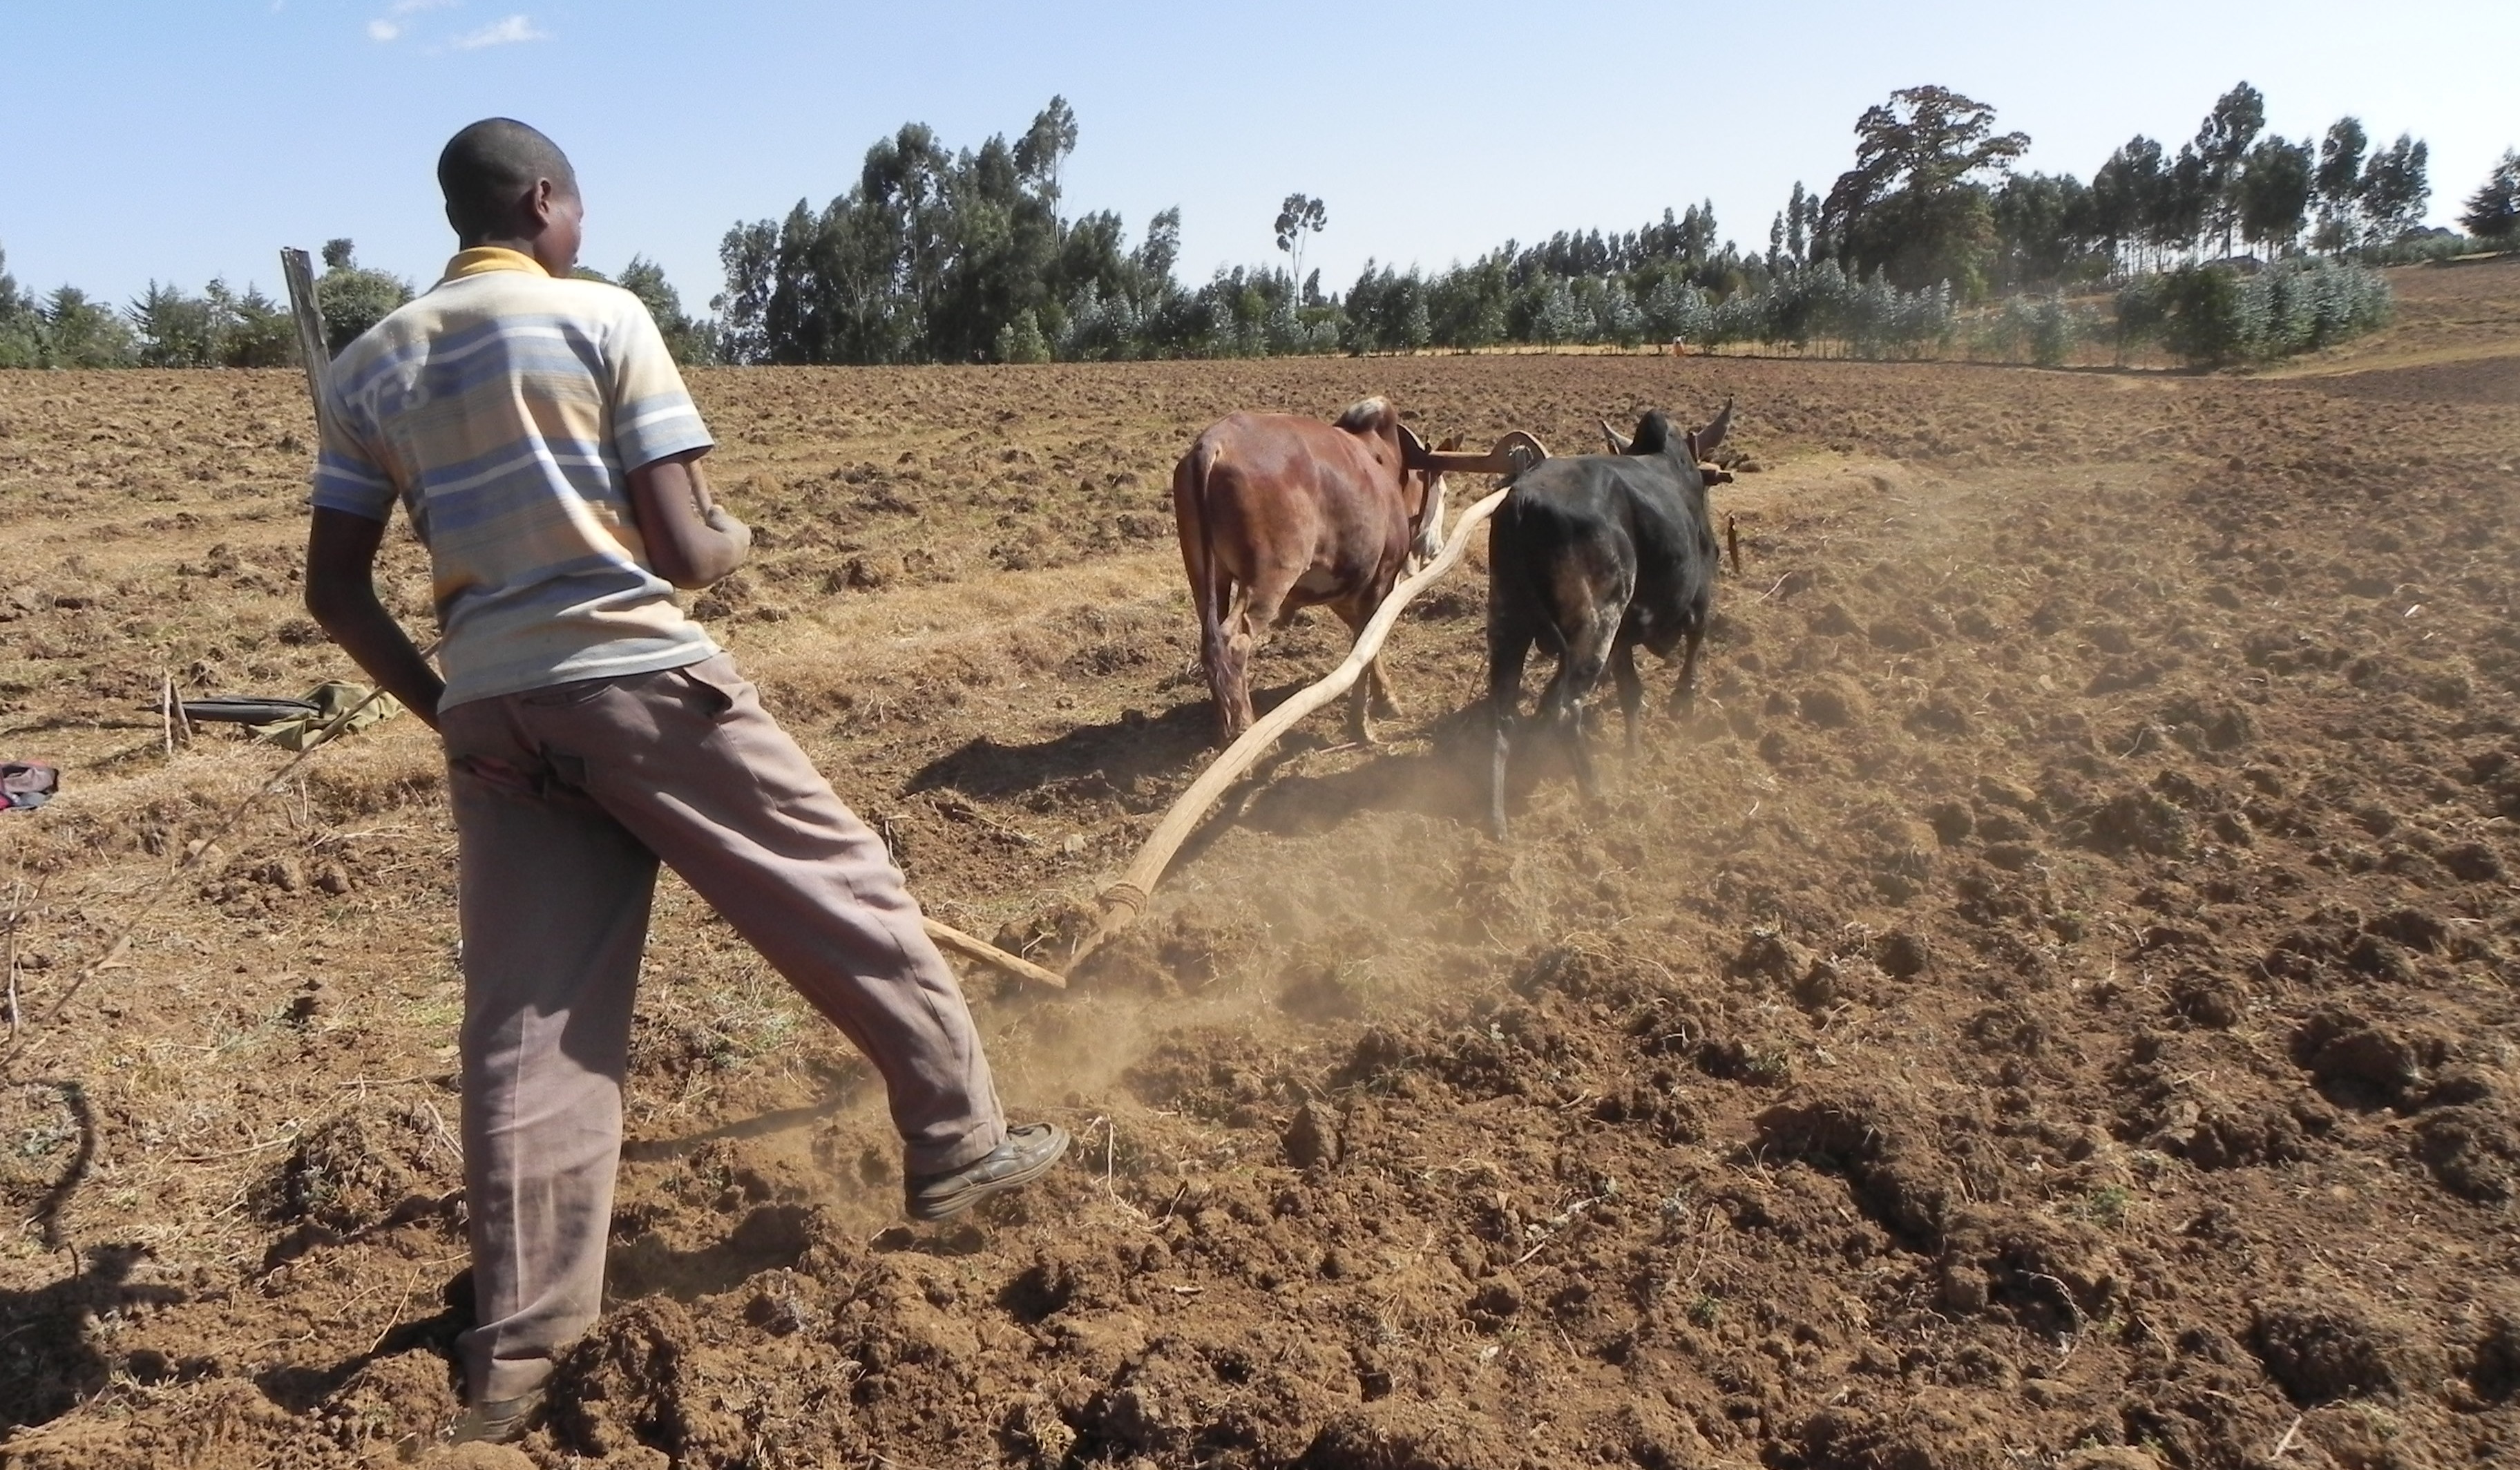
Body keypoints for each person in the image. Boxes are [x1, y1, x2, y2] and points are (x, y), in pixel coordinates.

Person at [301, 117, 1068, 1444]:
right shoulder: (602, 319)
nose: (578, 229)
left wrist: (449, 711)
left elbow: (333, 589)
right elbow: (685, 546)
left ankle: (523, 1353)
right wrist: (736, 536)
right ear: (545, 201)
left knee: (532, 1029)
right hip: (640, 681)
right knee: (838, 885)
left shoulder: (368, 367)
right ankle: (958, 1149)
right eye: (575, 209)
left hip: (495, 712)